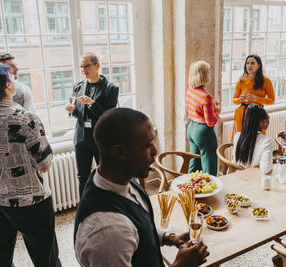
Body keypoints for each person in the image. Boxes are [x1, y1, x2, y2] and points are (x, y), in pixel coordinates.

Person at [74, 108, 209, 267]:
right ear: (119, 152)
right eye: (147, 145)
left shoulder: (120, 178)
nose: (155, 151)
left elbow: (138, 230)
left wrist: (168, 238)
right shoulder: (109, 232)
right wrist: (181, 265)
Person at [0, 63, 61, 267]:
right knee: (45, 256)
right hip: (32, 202)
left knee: (1, 257)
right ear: (7, 84)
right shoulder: (26, 118)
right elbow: (44, 165)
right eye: (12, 78)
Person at [65, 52, 119, 195]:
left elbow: (109, 117)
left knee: (106, 175)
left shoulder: (111, 88)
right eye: (81, 67)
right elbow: (78, 114)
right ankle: (85, 207)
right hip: (82, 137)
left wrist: (92, 103)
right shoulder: (78, 86)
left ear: (97, 66)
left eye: (87, 66)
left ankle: (107, 205)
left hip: (101, 138)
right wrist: (72, 110)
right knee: (82, 176)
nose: (83, 70)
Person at [185, 60, 220, 176]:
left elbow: (191, 109)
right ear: (204, 74)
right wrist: (217, 110)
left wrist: (211, 106)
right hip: (204, 132)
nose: (210, 73)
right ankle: (209, 192)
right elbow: (211, 122)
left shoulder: (190, 91)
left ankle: (190, 189)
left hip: (191, 129)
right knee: (209, 167)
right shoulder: (206, 97)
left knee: (194, 163)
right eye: (208, 71)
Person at [232, 54, 275, 139]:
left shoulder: (266, 81)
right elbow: (234, 100)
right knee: (242, 139)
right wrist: (240, 99)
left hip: (258, 114)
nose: (249, 65)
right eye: (247, 63)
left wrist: (257, 99)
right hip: (243, 113)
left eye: (252, 63)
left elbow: (272, 100)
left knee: (258, 139)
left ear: (258, 66)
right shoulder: (241, 81)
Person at [233, 104, 273, 174]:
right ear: (264, 122)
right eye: (268, 119)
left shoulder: (237, 136)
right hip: (251, 179)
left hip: (236, 175)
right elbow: (266, 169)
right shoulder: (267, 141)